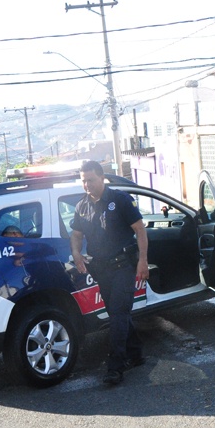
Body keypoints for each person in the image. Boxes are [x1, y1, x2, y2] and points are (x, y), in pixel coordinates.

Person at [70, 160, 149, 385]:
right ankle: (136, 354)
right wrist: (76, 253)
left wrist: (142, 261)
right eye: (83, 181)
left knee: (117, 314)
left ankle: (115, 367)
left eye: (91, 180)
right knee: (119, 314)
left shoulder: (120, 200)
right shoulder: (81, 206)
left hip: (124, 267)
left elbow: (140, 230)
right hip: (101, 269)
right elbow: (76, 235)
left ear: (102, 177)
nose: (87, 185)